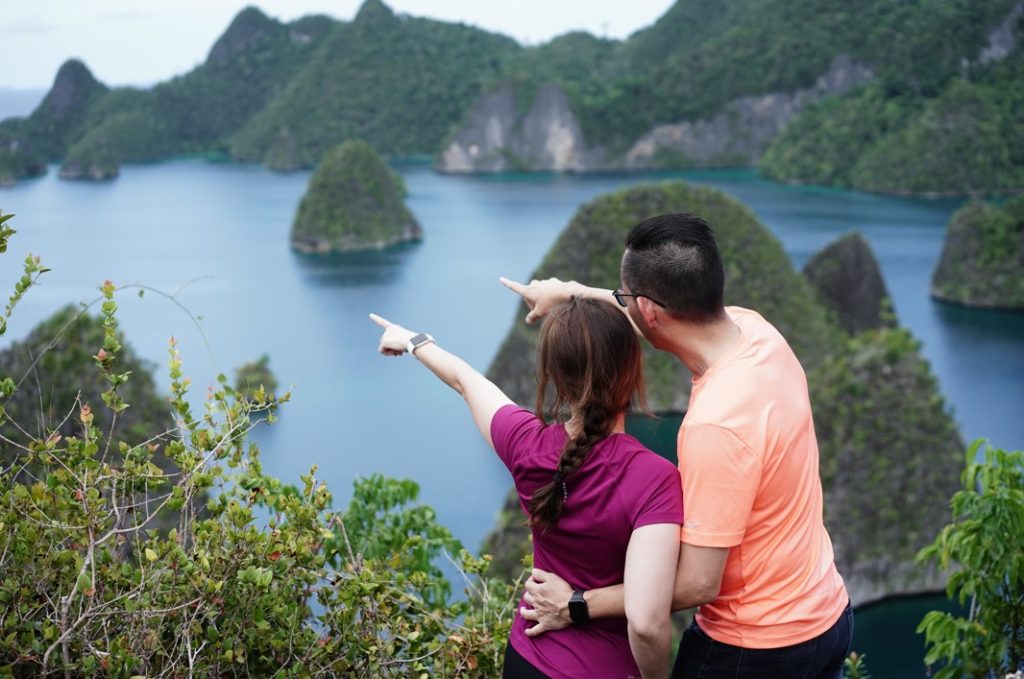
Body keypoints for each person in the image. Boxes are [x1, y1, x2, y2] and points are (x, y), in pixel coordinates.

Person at [500, 213, 852, 678]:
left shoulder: (714, 426)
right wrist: (569, 291)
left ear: (647, 309)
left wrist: (577, 604)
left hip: (753, 652)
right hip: (826, 617)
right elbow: (655, 311)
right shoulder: (757, 332)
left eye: (627, 299)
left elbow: (697, 584)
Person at [369, 297, 683, 679]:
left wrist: (412, 341)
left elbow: (465, 381)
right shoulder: (655, 477)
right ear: (634, 369)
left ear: (554, 375)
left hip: (526, 657)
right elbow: (647, 623)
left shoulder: (526, 445)